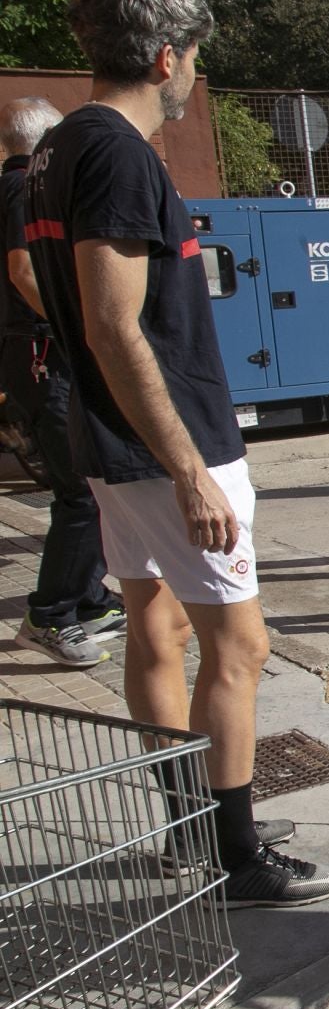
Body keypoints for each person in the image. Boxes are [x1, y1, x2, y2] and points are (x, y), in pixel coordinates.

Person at [24, 0, 329, 906]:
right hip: (169, 447)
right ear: (166, 58)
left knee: (154, 624)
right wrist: (190, 469)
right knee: (238, 646)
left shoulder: (54, 151)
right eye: (194, 59)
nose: (193, 77)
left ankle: (193, 823)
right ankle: (238, 857)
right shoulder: (119, 154)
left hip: (112, 442)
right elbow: (116, 323)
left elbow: (73, 309)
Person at [4, 97, 127, 668]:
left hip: (33, 355)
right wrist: (71, 326)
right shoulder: (20, 190)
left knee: (87, 485)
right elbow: (23, 270)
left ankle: (91, 598)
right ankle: (49, 616)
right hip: (39, 355)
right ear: (46, 140)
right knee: (80, 492)